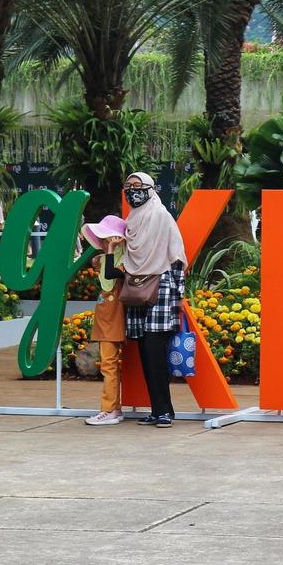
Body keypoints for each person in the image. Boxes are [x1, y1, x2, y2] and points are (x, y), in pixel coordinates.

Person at [109, 172, 185, 428]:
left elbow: (175, 256)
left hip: (161, 287)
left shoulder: (161, 216)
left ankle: (165, 411)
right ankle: (156, 409)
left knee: (155, 351)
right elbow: (122, 262)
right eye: (128, 186)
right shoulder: (131, 221)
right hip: (136, 289)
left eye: (138, 186)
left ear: (151, 189)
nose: (133, 191)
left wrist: (179, 297)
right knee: (144, 352)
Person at [80, 215, 128, 426]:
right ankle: (113, 408)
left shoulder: (122, 260)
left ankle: (108, 409)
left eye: (108, 238)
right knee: (109, 363)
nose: (104, 241)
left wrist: (108, 253)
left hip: (113, 315)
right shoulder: (112, 258)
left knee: (108, 364)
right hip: (106, 313)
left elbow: (109, 280)